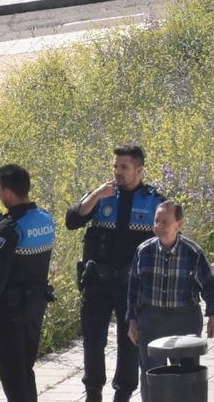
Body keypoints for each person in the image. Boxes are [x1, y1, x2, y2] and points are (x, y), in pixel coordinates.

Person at [66, 144, 163, 402]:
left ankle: (123, 393)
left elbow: (169, 239)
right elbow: (72, 220)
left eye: (124, 167)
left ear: (139, 170)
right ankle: (93, 392)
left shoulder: (154, 201)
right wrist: (96, 194)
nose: (118, 172)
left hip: (132, 286)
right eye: (115, 166)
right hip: (97, 282)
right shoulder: (103, 195)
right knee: (93, 341)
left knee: (129, 342)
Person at [126, 202, 214, 379]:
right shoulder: (144, 251)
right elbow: (134, 289)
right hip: (151, 321)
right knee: (152, 376)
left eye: (165, 222)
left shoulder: (192, 252)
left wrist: (213, 317)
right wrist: (132, 321)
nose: (159, 226)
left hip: (184, 320)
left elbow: (209, 286)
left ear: (179, 225)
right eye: (157, 221)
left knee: (185, 377)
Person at [0, 165, 55, 402]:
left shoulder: (10, 227)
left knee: (12, 374)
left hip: (10, 312)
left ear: (8, 191)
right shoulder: (44, 218)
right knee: (25, 369)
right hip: (35, 307)